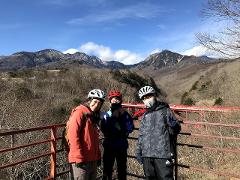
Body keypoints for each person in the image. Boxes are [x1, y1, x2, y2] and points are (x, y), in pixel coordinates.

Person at [136, 86, 181, 180]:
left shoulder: (165, 111)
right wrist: (139, 151)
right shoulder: (145, 116)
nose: (147, 100)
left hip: (163, 155)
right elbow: (141, 135)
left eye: (148, 97)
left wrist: (174, 126)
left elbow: (175, 130)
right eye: (144, 98)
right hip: (147, 155)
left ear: (154, 96)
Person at [68, 89, 105, 180]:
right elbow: (73, 135)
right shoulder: (79, 112)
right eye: (95, 101)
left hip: (92, 159)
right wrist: (78, 157)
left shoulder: (93, 116)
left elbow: (94, 139)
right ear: (89, 100)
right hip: (81, 160)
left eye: (99, 103)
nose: (96, 105)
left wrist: (98, 155)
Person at [101, 90, 134, 180]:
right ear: (110, 101)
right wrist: (114, 118)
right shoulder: (106, 114)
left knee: (122, 170)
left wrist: (122, 117)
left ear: (120, 101)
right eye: (113, 99)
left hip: (121, 145)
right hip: (109, 145)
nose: (115, 101)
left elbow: (130, 128)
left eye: (117, 99)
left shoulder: (125, 114)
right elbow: (104, 129)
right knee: (107, 170)